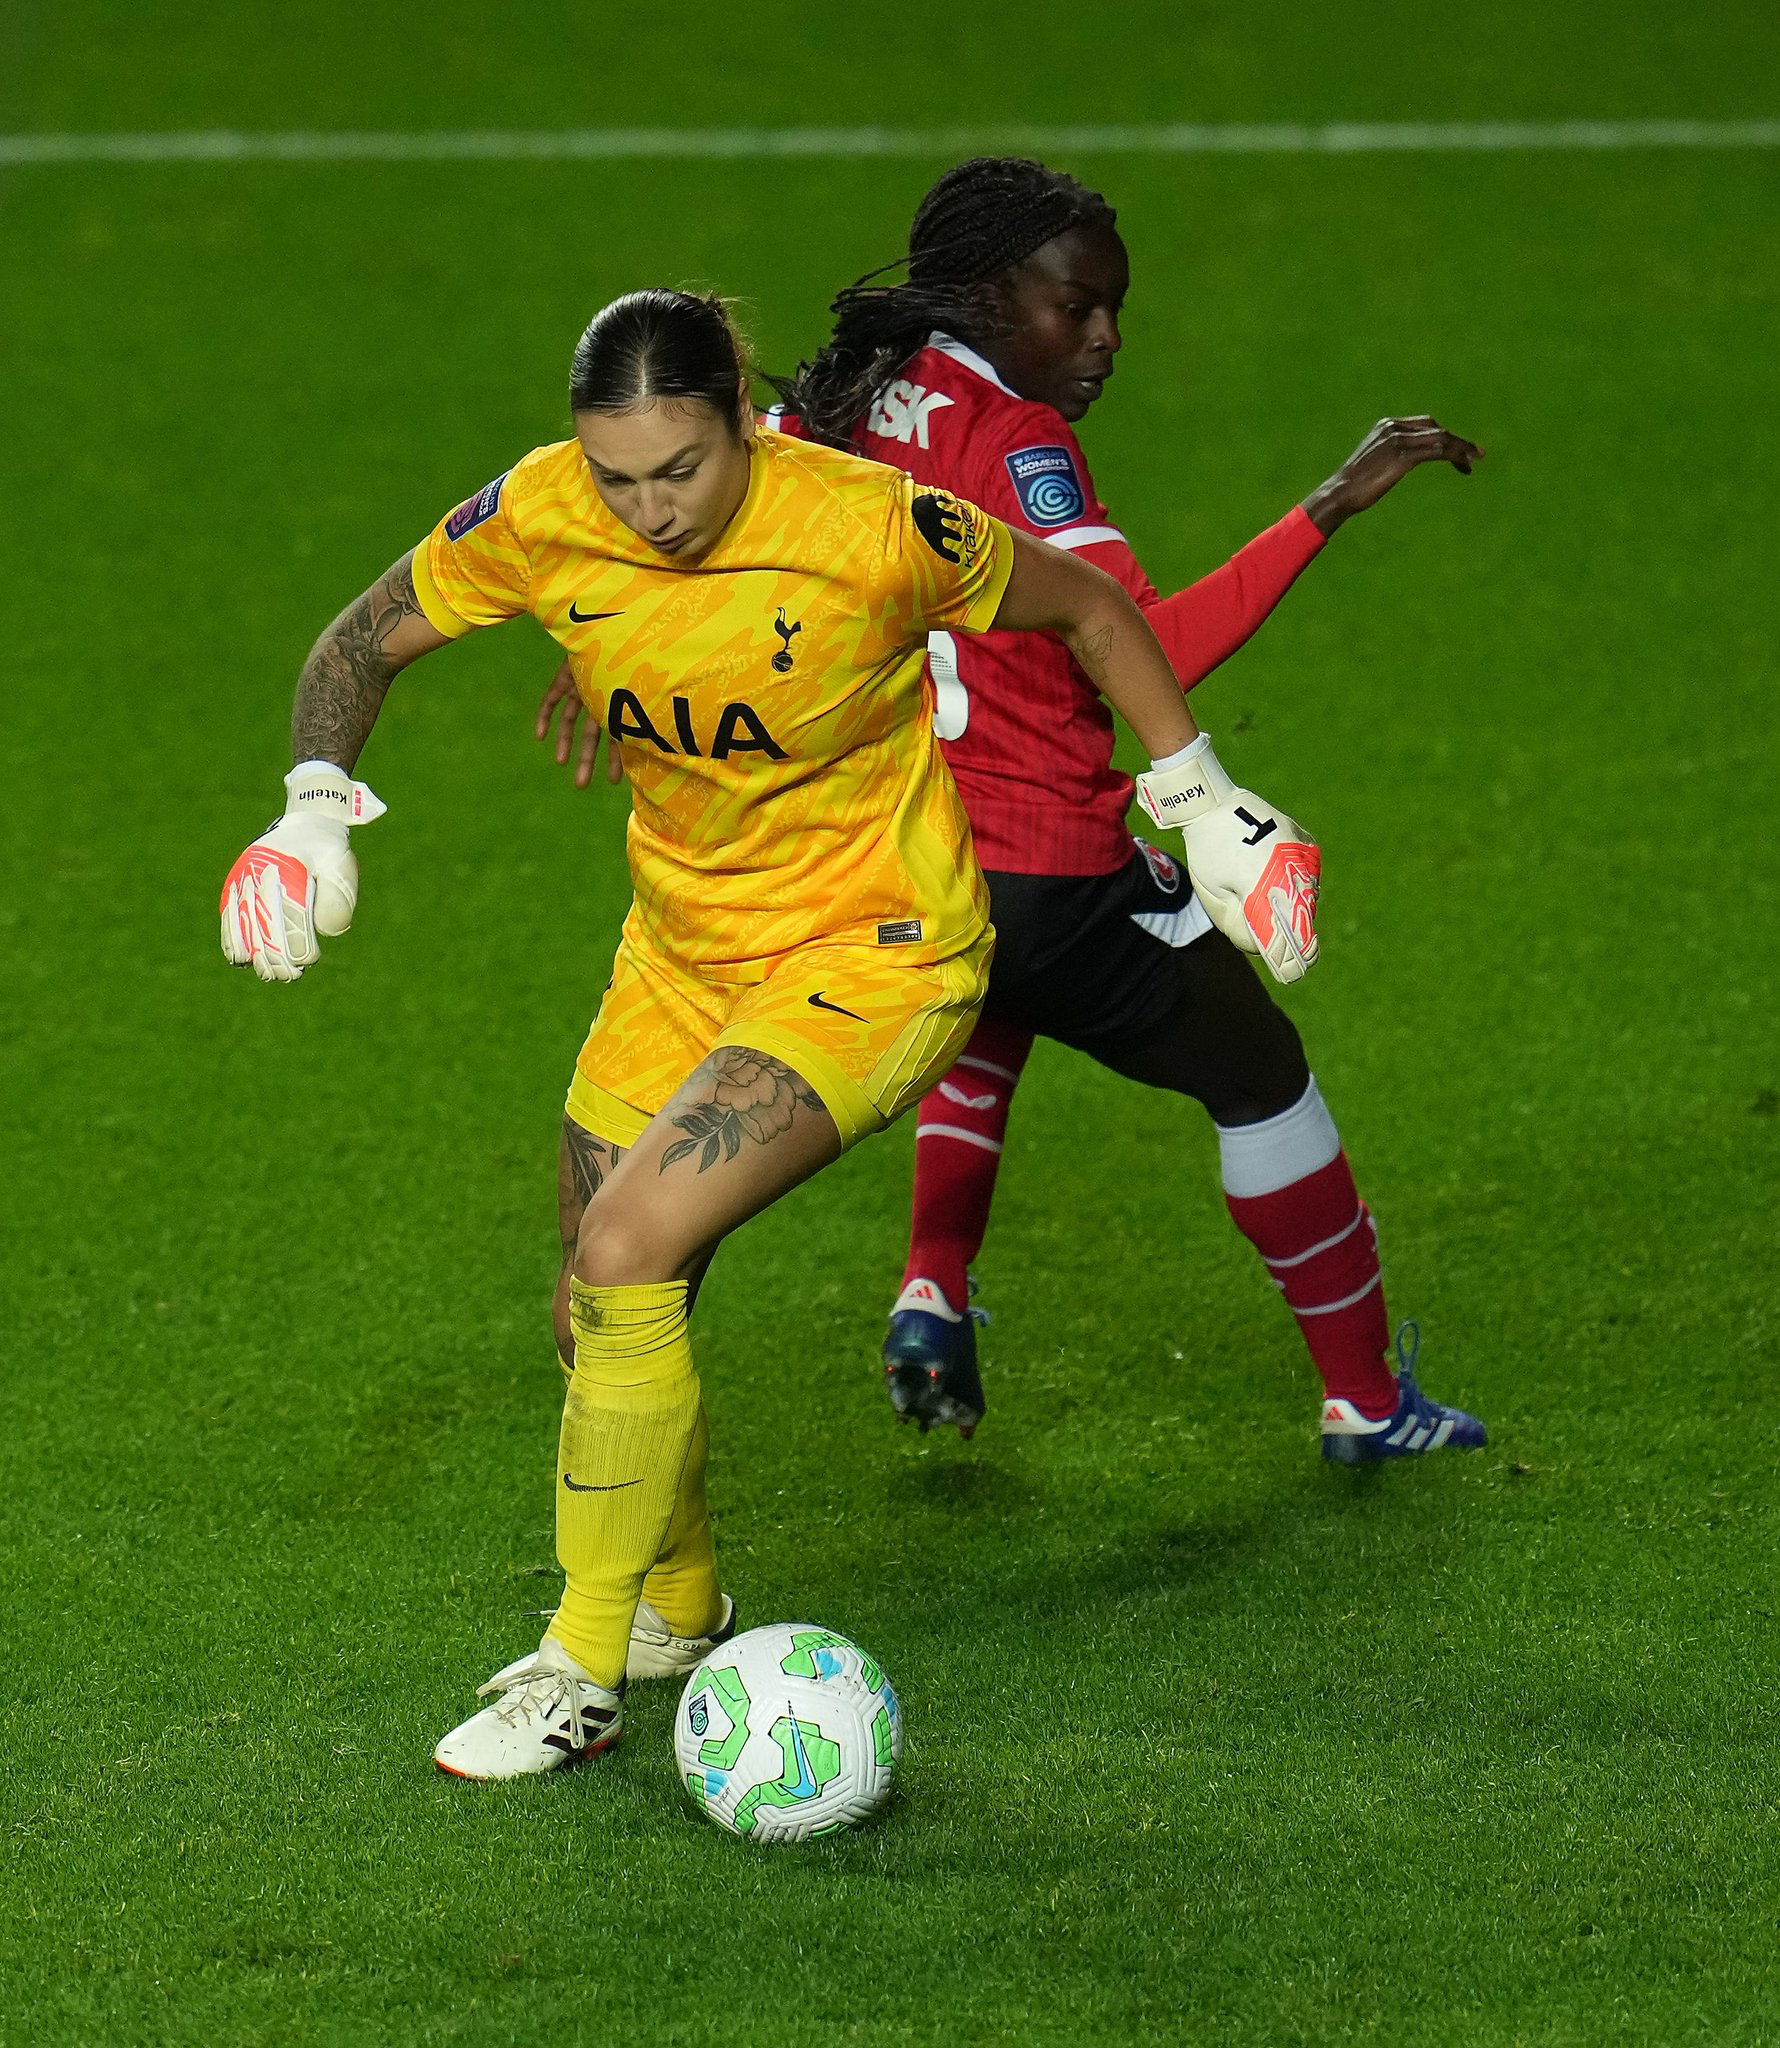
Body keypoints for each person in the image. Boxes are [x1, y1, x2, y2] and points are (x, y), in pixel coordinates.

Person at [219, 287, 1310, 1780]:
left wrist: (1203, 802)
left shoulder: (871, 525)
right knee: (593, 1311)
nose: (650, 509)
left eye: (683, 469)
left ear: (745, 418)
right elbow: (362, 635)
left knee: (624, 1251)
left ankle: (579, 1667)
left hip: (876, 956)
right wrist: (310, 806)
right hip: (678, 954)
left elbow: (1091, 608)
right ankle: (676, 1609)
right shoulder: (545, 516)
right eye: (619, 476)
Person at [542, 158, 1486, 1464]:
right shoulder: (1018, 444)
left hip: (896, 866)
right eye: (1075, 307)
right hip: (1053, 868)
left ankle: (930, 1288)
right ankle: (1367, 1403)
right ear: (990, 295)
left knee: (981, 1002)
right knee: (1264, 1078)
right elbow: (1138, 642)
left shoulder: (844, 396)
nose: (1104, 339)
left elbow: (713, 533)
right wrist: (1324, 508)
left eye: (1114, 309)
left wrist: (617, 648)